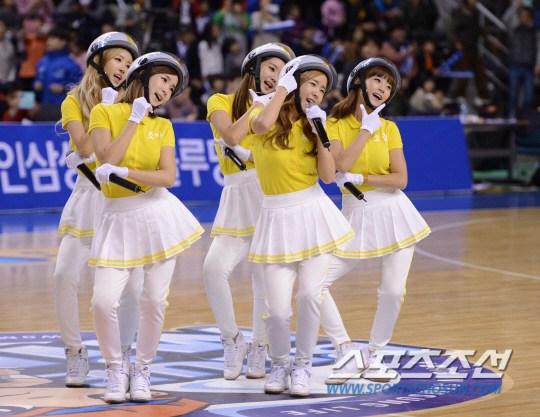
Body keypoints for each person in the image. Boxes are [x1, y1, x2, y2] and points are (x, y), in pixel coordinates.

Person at [89, 52, 204, 403]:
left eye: (173, 87)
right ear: (142, 75)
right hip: (116, 217)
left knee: (154, 300)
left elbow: (167, 177)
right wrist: (133, 120)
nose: (167, 90)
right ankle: (115, 367)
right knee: (102, 301)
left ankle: (142, 369)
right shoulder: (103, 112)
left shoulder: (164, 126)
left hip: (157, 215)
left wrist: (127, 173)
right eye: (164, 80)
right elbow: (106, 158)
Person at [249, 55, 354, 397]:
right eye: (312, 84)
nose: (318, 93)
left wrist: (322, 134)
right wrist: (283, 88)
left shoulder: (316, 125)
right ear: (295, 83)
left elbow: (328, 176)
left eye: (323, 89)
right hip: (275, 218)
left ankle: (303, 366)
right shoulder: (262, 113)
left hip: (312, 214)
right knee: (278, 310)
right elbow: (260, 126)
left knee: (310, 295)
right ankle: (280, 364)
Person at [322, 57, 431, 381]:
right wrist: (365, 131)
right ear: (358, 81)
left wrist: (364, 177)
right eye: (377, 79)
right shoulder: (334, 123)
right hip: (355, 215)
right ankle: (343, 347)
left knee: (394, 291)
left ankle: (375, 353)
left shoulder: (390, 128)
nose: (383, 88)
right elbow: (340, 164)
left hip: (397, 214)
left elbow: (401, 179)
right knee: (315, 283)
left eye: (389, 85)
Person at [203, 42, 295, 381]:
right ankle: (232, 340)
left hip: (268, 192)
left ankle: (259, 345)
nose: (275, 76)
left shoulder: (280, 113)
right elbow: (230, 136)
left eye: (282, 73)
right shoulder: (220, 101)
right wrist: (256, 107)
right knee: (213, 269)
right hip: (236, 193)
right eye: (271, 68)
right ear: (253, 69)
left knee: (263, 278)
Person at [54, 31, 141, 389]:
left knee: (132, 288)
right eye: (118, 59)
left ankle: (123, 355)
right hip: (88, 198)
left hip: (124, 199)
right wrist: (104, 110)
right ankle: (74, 351)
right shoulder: (74, 101)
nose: (123, 67)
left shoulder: (136, 103)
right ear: (98, 61)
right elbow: (87, 147)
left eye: (128, 62)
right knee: (64, 276)